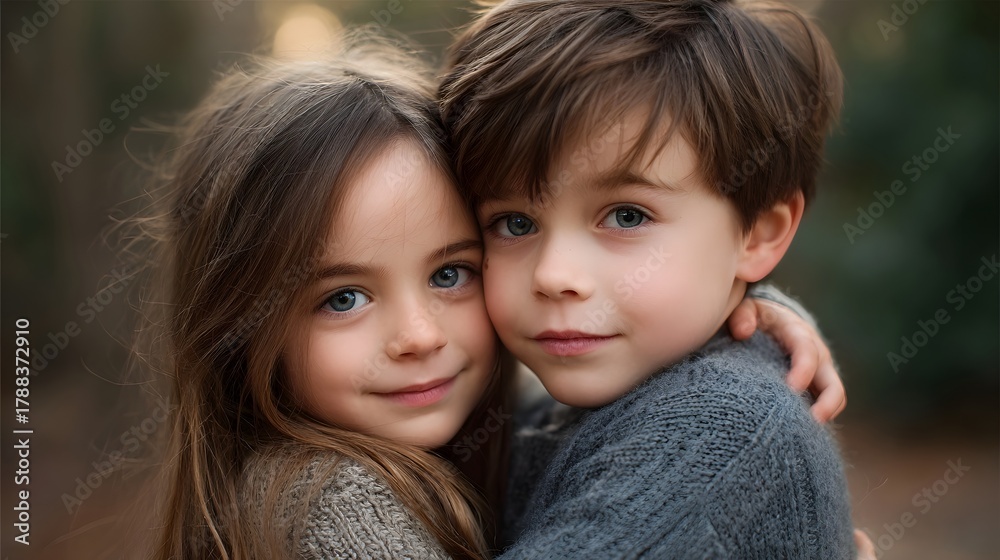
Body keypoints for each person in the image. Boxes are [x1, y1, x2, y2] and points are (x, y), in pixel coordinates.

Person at [123, 28, 844, 560]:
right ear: (240, 321)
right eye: (342, 298)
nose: (419, 335)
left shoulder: (509, 435)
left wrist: (751, 311)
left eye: (449, 274)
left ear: (759, 233)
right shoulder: (332, 507)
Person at [440, 0, 856, 557]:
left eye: (627, 216)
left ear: (756, 235)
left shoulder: (722, 435)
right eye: (514, 223)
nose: (554, 276)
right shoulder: (566, 405)